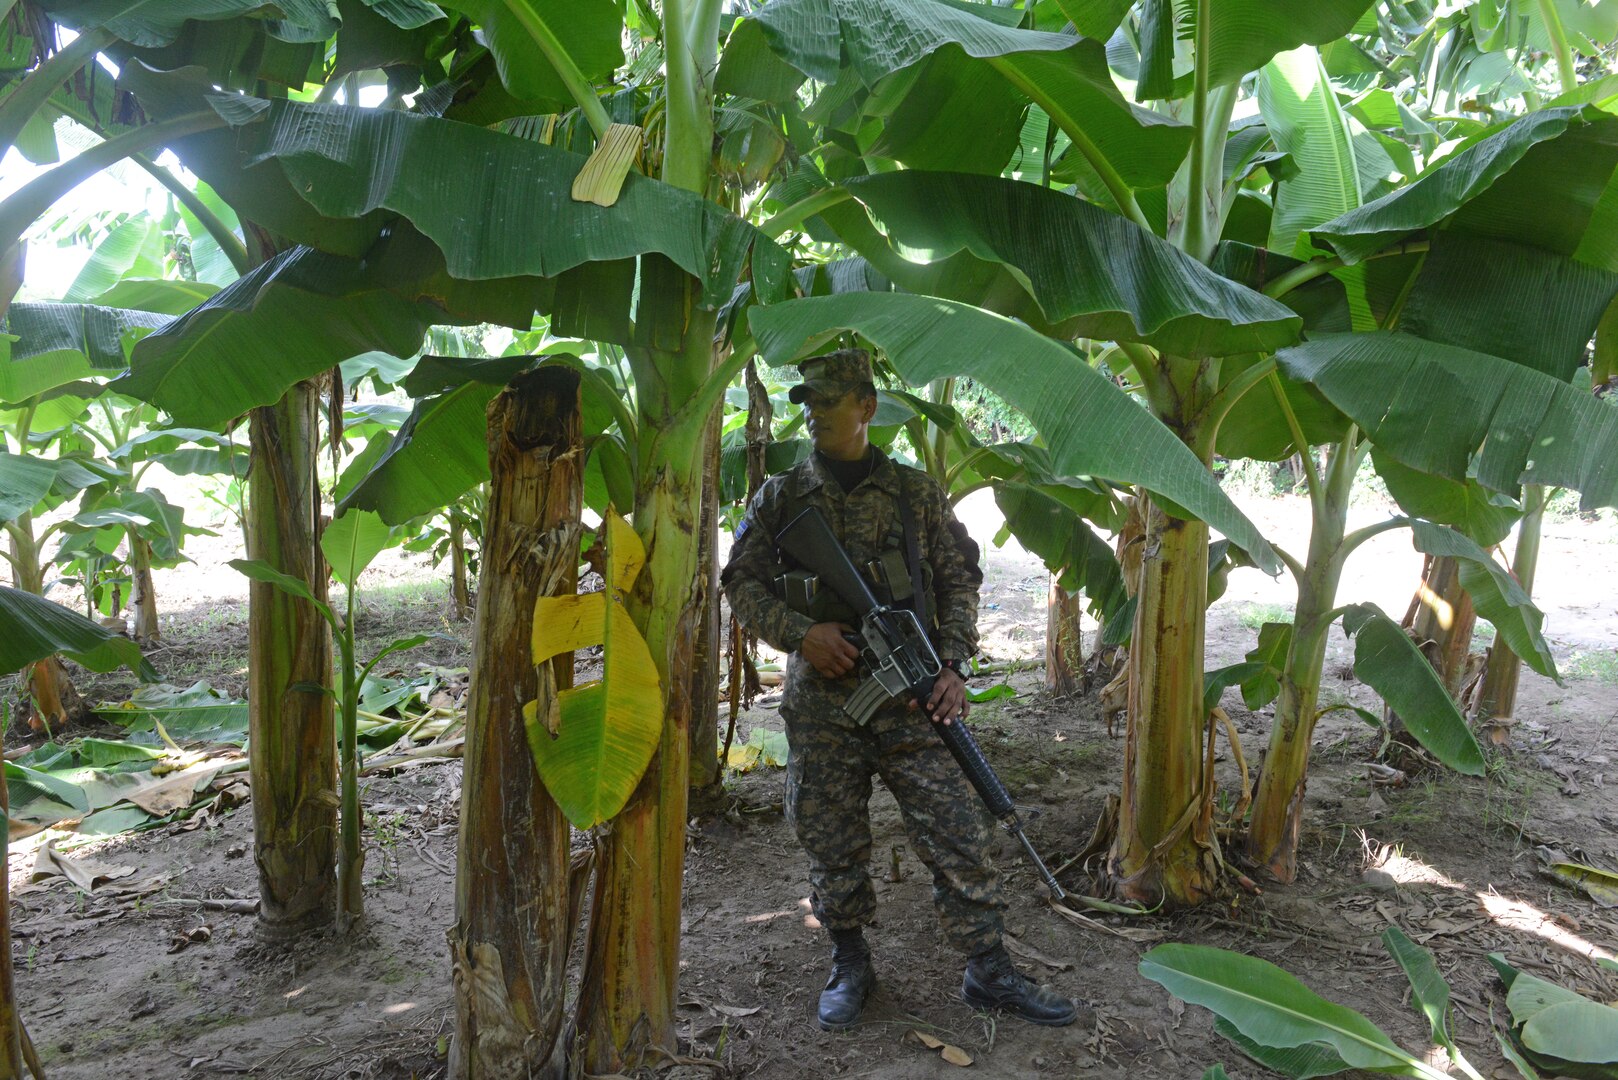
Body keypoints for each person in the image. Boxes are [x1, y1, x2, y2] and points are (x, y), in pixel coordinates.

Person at [721, 349, 1079, 1032]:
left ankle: (987, 968)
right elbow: (741, 581)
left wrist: (952, 666)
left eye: (829, 400)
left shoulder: (914, 493)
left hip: (915, 698)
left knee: (956, 832)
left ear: (866, 407)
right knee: (831, 838)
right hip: (825, 705)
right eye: (807, 402)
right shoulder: (781, 497)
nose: (815, 414)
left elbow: (958, 579)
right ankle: (849, 959)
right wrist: (803, 634)